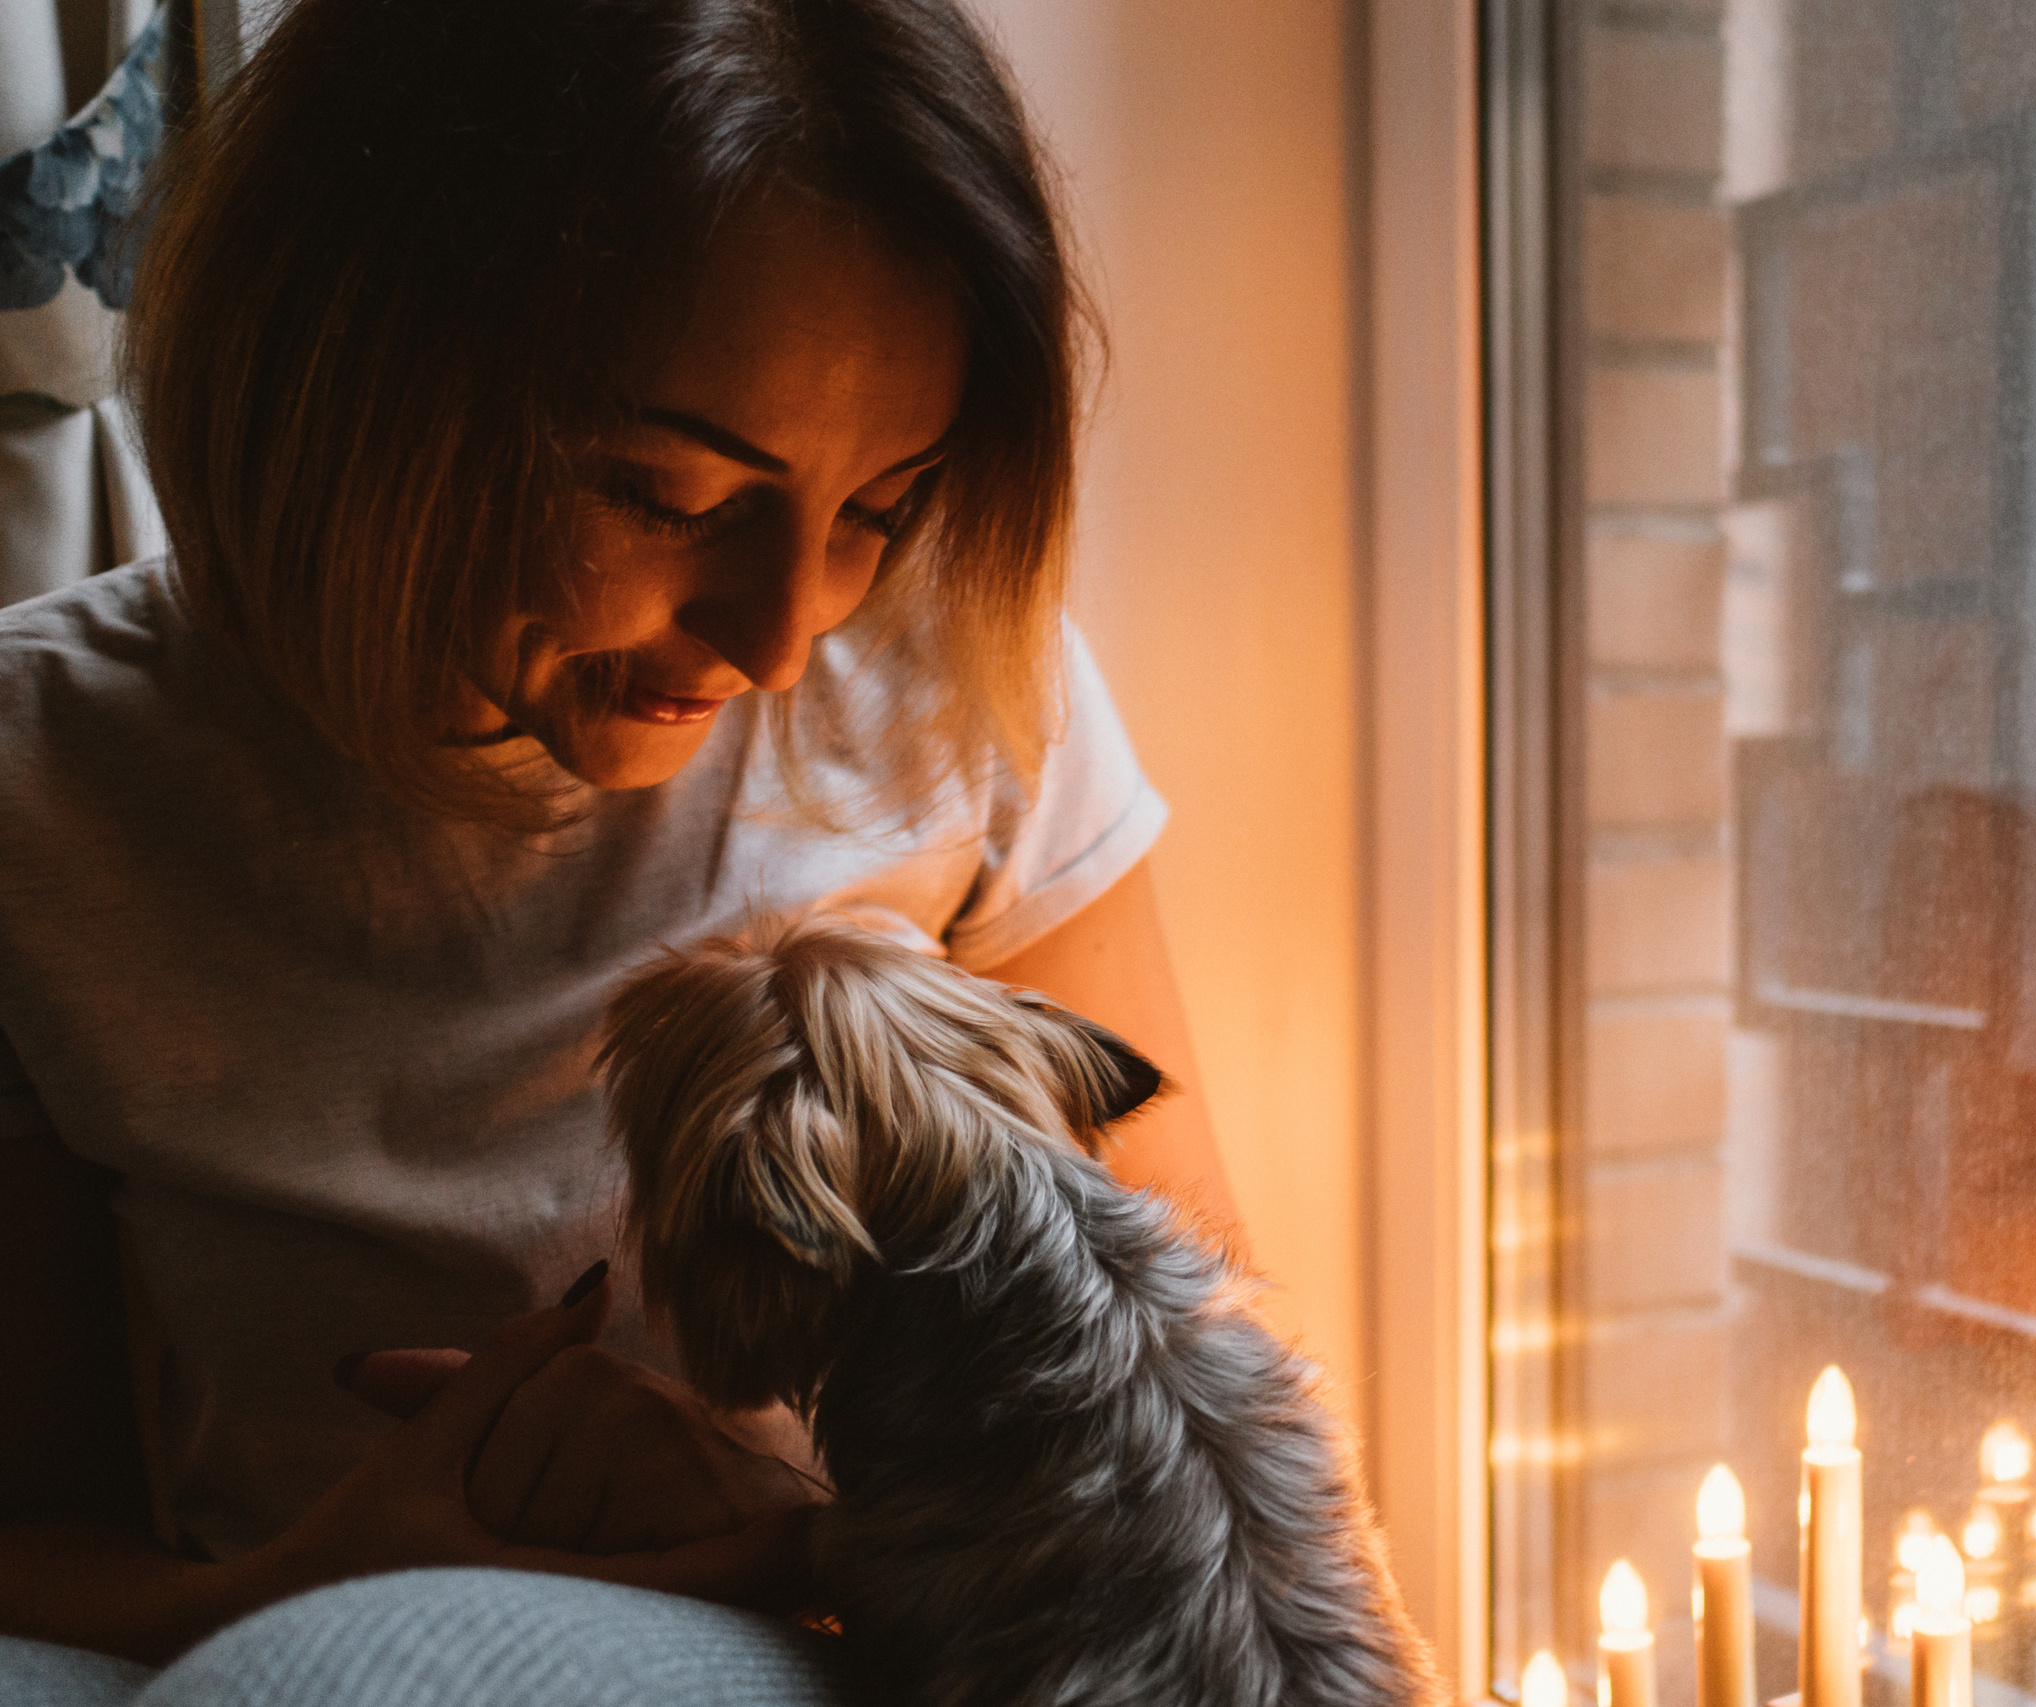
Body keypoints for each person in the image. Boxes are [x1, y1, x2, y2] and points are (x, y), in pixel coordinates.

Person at [0, 0, 1239, 1695]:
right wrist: (322, 1586)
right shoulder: (47, 787)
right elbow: (31, 1530)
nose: (787, 637)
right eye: (665, 497)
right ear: (355, 369)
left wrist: (797, 1530)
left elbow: (1202, 1397)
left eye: (880, 505)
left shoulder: (955, 695)